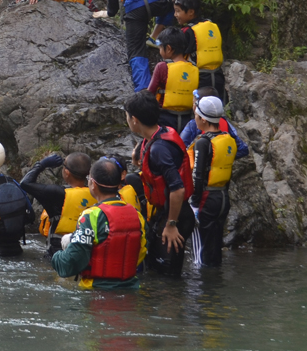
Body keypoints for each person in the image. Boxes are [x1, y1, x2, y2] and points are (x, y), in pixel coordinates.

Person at [125, 90, 195, 277]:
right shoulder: (157, 135)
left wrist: (171, 225)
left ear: (134, 120)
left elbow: (178, 188)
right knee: (156, 269)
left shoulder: (159, 149)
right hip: (165, 212)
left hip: (177, 216)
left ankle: (172, 305)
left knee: (168, 277)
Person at [50, 158, 147, 289]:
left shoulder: (92, 216)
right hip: (131, 289)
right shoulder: (137, 215)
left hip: (95, 292)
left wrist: (57, 256)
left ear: (93, 184)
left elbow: (71, 262)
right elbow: (141, 251)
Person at [189, 96, 237, 267]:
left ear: (202, 118)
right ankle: (216, 278)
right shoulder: (228, 139)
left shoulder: (203, 142)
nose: (194, 118)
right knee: (215, 243)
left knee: (202, 247)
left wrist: (194, 203)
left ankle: (204, 285)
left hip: (207, 198)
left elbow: (198, 175)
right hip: (223, 196)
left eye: (195, 115)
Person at [19, 152, 93, 256]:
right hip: (87, 248)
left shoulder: (56, 193)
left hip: (58, 252)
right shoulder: (97, 193)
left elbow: (25, 183)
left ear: (66, 173)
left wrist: (42, 164)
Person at [173, 0, 226, 102]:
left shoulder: (188, 31)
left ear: (191, 12)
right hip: (218, 77)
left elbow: (178, 56)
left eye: (178, 11)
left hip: (200, 80)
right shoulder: (212, 25)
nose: (175, 15)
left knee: (199, 112)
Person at [147, 26, 198, 133]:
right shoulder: (195, 68)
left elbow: (150, 93)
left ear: (169, 48)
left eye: (161, 48)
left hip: (165, 119)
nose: (160, 51)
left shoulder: (162, 67)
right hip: (188, 119)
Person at [181, 86, 249, 160]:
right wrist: (222, 157)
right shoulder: (225, 122)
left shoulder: (193, 124)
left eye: (194, 104)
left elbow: (179, 149)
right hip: (220, 169)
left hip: (198, 166)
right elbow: (243, 149)